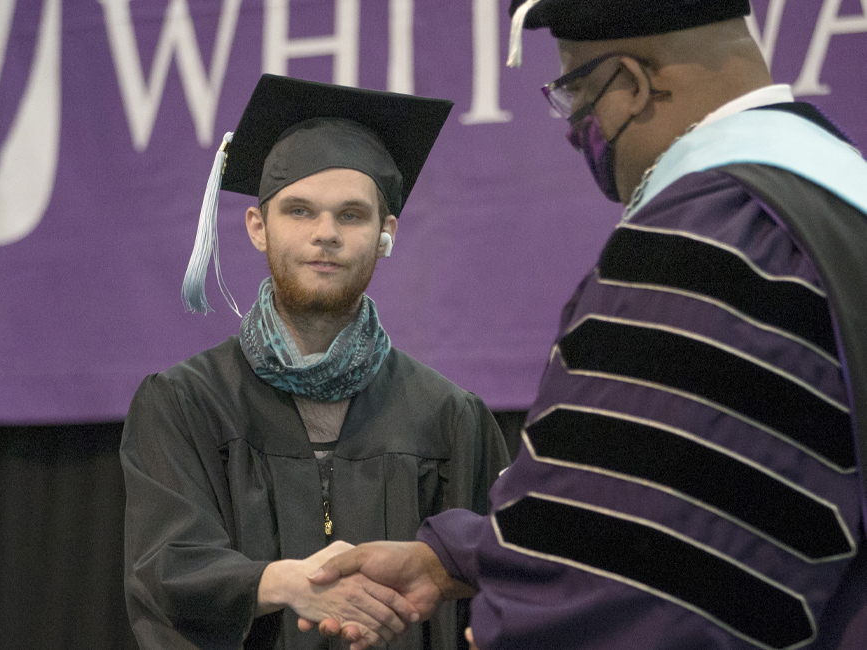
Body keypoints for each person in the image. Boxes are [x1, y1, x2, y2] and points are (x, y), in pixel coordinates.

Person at [303, 1, 867, 648]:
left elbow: (646, 581)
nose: (578, 126)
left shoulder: (707, 240)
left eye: (576, 91)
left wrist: (510, 624)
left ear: (631, 81)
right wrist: (457, 555)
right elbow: (752, 501)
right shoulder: (830, 202)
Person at [120, 74, 511, 650]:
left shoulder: (451, 418)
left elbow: (497, 582)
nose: (325, 234)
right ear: (258, 228)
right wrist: (284, 581)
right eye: (299, 211)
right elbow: (166, 569)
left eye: (351, 216)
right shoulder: (187, 403)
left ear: (386, 234)